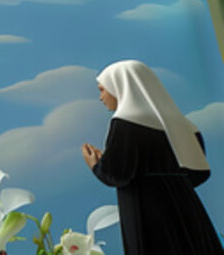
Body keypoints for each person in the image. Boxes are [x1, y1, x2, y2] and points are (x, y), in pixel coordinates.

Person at [83, 60, 223, 254]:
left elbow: (115, 174)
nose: (100, 97)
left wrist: (96, 164)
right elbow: (198, 174)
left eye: (102, 90)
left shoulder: (124, 123)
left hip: (146, 209)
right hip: (188, 208)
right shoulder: (184, 125)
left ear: (120, 86)